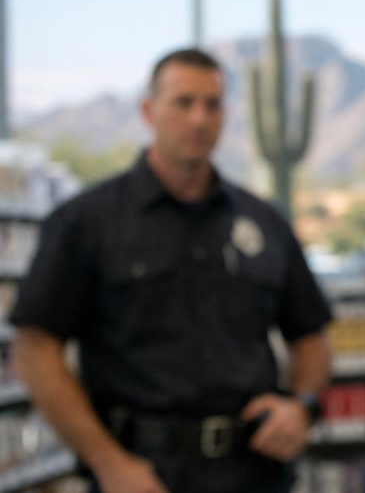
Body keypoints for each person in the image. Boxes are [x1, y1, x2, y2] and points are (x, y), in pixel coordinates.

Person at [10, 48, 333, 493]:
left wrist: (301, 407)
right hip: (143, 473)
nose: (199, 119)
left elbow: (311, 335)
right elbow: (34, 349)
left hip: (255, 472)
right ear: (149, 111)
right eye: (183, 102)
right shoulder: (87, 222)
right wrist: (109, 464)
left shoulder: (264, 222)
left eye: (212, 104)